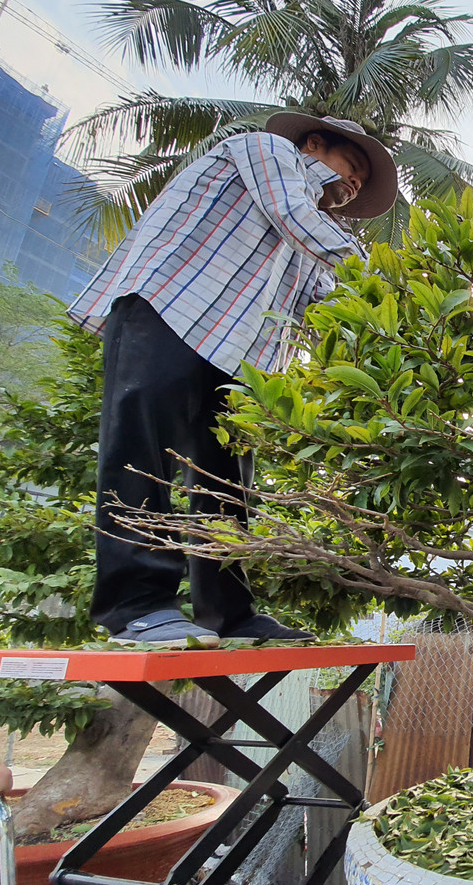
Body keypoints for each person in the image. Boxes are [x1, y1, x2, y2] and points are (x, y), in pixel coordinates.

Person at [67, 113, 398, 647]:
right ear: (315, 143)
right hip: (168, 309)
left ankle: (229, 614)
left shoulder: (313, 240)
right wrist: (391, 283)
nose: (355, 183)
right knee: (141, 449)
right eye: (351, 164)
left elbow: (327, 302)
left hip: (240, 356)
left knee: (226, 482)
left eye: (360, 178)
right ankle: (136, 606)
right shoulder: (268, 151)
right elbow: (293, 214)